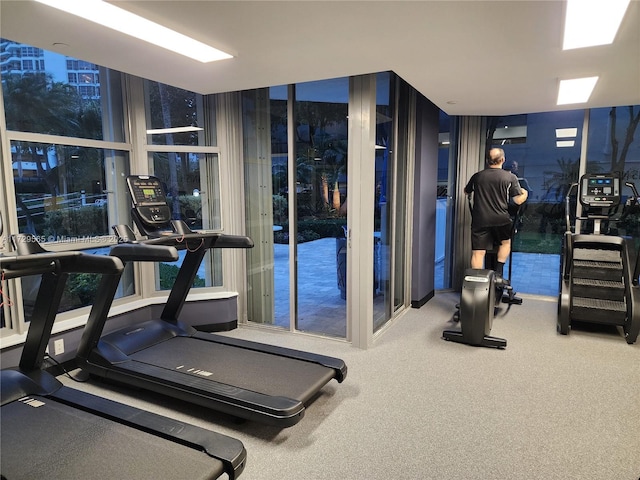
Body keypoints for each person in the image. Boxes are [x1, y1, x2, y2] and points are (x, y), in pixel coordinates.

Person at [464, 148, 528, 277]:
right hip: (501, 219)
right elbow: (517, 200)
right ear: (502, 160)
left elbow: (467, 192)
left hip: (480, 220)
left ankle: (477, 282)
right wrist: (525, 194)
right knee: (505, 243)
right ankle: (498, 273)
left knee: (478, 253)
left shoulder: (477, 176)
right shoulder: (510, 177)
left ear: (488, 161)